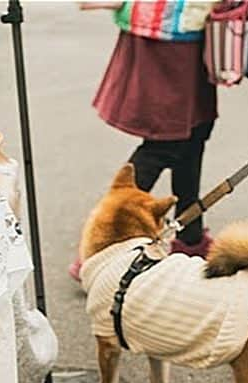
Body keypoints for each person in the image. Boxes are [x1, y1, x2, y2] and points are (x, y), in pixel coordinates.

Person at [70, 0, 217, 281]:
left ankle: (190, 237)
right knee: (167, 141)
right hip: (167, 27)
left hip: (182, 24)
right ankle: (99, 246)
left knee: (193, 134)